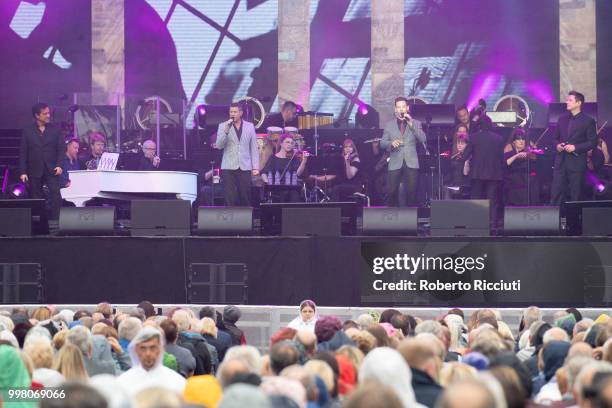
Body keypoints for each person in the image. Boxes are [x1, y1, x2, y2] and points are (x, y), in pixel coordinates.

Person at [550, 90, 598, 205]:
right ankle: (555, 221)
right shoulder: (562, 119)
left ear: (579, 103)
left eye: (570, 100)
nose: (567, 102)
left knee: (576, 195)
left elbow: (593, 142)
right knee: (556, 193)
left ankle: (574, 222)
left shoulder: (588, 121)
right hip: (561, 163)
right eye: (567, 100)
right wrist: (557, 145)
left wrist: (575, 147)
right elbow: (554, 138)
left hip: (577, 164)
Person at [19, 102, 64, 220]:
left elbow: (61, 149)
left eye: (49, 113)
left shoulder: (56, 130)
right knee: (36, 197)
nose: (48, 115)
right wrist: (22, 171)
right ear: (37, 115)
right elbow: (23, 152)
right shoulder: (27, 130)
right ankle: (40, 222)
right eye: (45, 113)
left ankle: (57, 221)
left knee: (55, 195)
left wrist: (59, 165)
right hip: (34, 168)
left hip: (52, 168)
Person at [379, 96, 427, 206]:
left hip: (411, 162)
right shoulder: (389, 125)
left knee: (411, 194)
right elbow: (382, 143)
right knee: (391, 192)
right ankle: (392, 219)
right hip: (395, 161)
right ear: (395, 109)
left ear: (407, 108)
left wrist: (411, 124)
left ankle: (411, 220)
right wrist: (391, 143)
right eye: (398, 107)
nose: (401, 109)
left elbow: (423, 139)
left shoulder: (416, 123)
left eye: (403, 107)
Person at [118, 326, 186, 397]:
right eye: (143, 348)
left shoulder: (176, 381)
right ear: (136, 350)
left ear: (160, 349)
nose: (148, 353)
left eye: (152, 347)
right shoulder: (123, 382)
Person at [462, 116, 505, 226]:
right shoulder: (499, 138)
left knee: (476, 199)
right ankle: (493, 224)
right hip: (494, 173)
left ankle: (475, 223)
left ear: (479, 125)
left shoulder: (473, 137)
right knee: (493, 200)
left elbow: (465, 155)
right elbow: (501, 158)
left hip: (477, 173)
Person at [214, 102, 259, 206]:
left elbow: (253, 148)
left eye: (235, 112)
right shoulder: (223, 126)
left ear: (241, 113)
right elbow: (219, 145)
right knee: (230, 197)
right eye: (231, 112)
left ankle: (247, 221)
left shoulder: (250, 126)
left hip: (245, 166)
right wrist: (225, 131)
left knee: (245, 197)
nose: (232, 114)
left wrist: (255, 167)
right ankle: (231, 222)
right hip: (228, 166)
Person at [261, 134, 308, 202]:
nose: (290, 144)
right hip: (277, 188)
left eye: (292, 143)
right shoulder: (273, 158)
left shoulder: (293, 158)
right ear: (281, 144)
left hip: (291, 188)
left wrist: (304, 161)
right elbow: (264, 173)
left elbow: (298, 173)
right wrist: (268, 184)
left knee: (294, 196)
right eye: (287, 142)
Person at [504, 129, 539, 205]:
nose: (521, 141)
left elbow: (536, 163)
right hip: (513, 186)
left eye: (523, 139)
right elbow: (506, 163)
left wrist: (534, 150)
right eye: (518, 139)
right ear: (514, 141)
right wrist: (516, 156)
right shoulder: (510, 152)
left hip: (526, 185)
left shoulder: (528, 153)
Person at [444, 125, 470, 199]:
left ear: (467, 145)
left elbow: (465, 172)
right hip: (453, 183)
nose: (460, 145)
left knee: (451, 190)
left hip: (464, 185)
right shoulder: (454, 155)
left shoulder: (469, 156)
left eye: (462, 143)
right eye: (458, 143)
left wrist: (466, 160)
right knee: (445, 188)